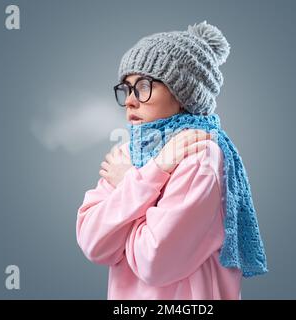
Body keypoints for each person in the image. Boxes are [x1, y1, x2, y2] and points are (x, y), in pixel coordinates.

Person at [76, 21, 268, 300]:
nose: (130, 100)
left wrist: (129, 186)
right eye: (126, 88)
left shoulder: (201, 156)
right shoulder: (131, 153)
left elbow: (155, 262)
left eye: (143, 86)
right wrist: (147, 177)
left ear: (183, 93)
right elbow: (93, 243)